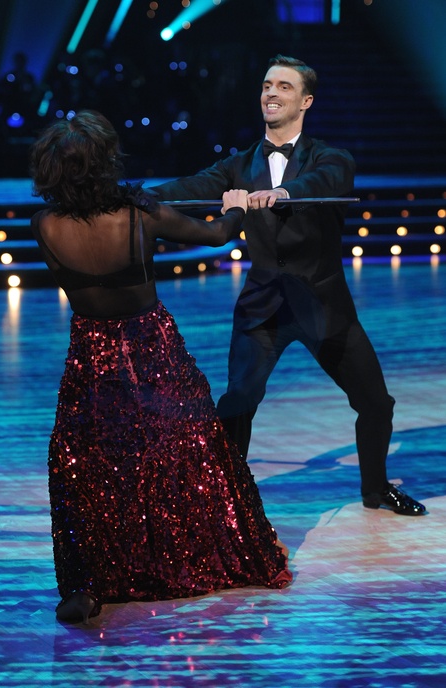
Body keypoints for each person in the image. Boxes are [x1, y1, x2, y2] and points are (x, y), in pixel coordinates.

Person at [29, 110, 291, 624]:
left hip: (91, 356)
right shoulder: (139, 216)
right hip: (150, 347)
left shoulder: (44, 225)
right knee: (187, 448)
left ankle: (88, 583)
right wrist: (236, 207)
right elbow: (217, 236)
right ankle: (183, 560)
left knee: (88, 461)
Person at [148, 55, 426, 517]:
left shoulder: (331, 158)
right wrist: (135, 196)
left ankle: (376, 489)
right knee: (238, 400)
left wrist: (283, 193)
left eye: (283, 86)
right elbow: (190, 187)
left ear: (306, 101)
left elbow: (324, 180)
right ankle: (227, 503)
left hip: (322, 304)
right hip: (263, 306)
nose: (271, 93)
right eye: (266, 85)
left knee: (376, 402)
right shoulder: (238, 164)